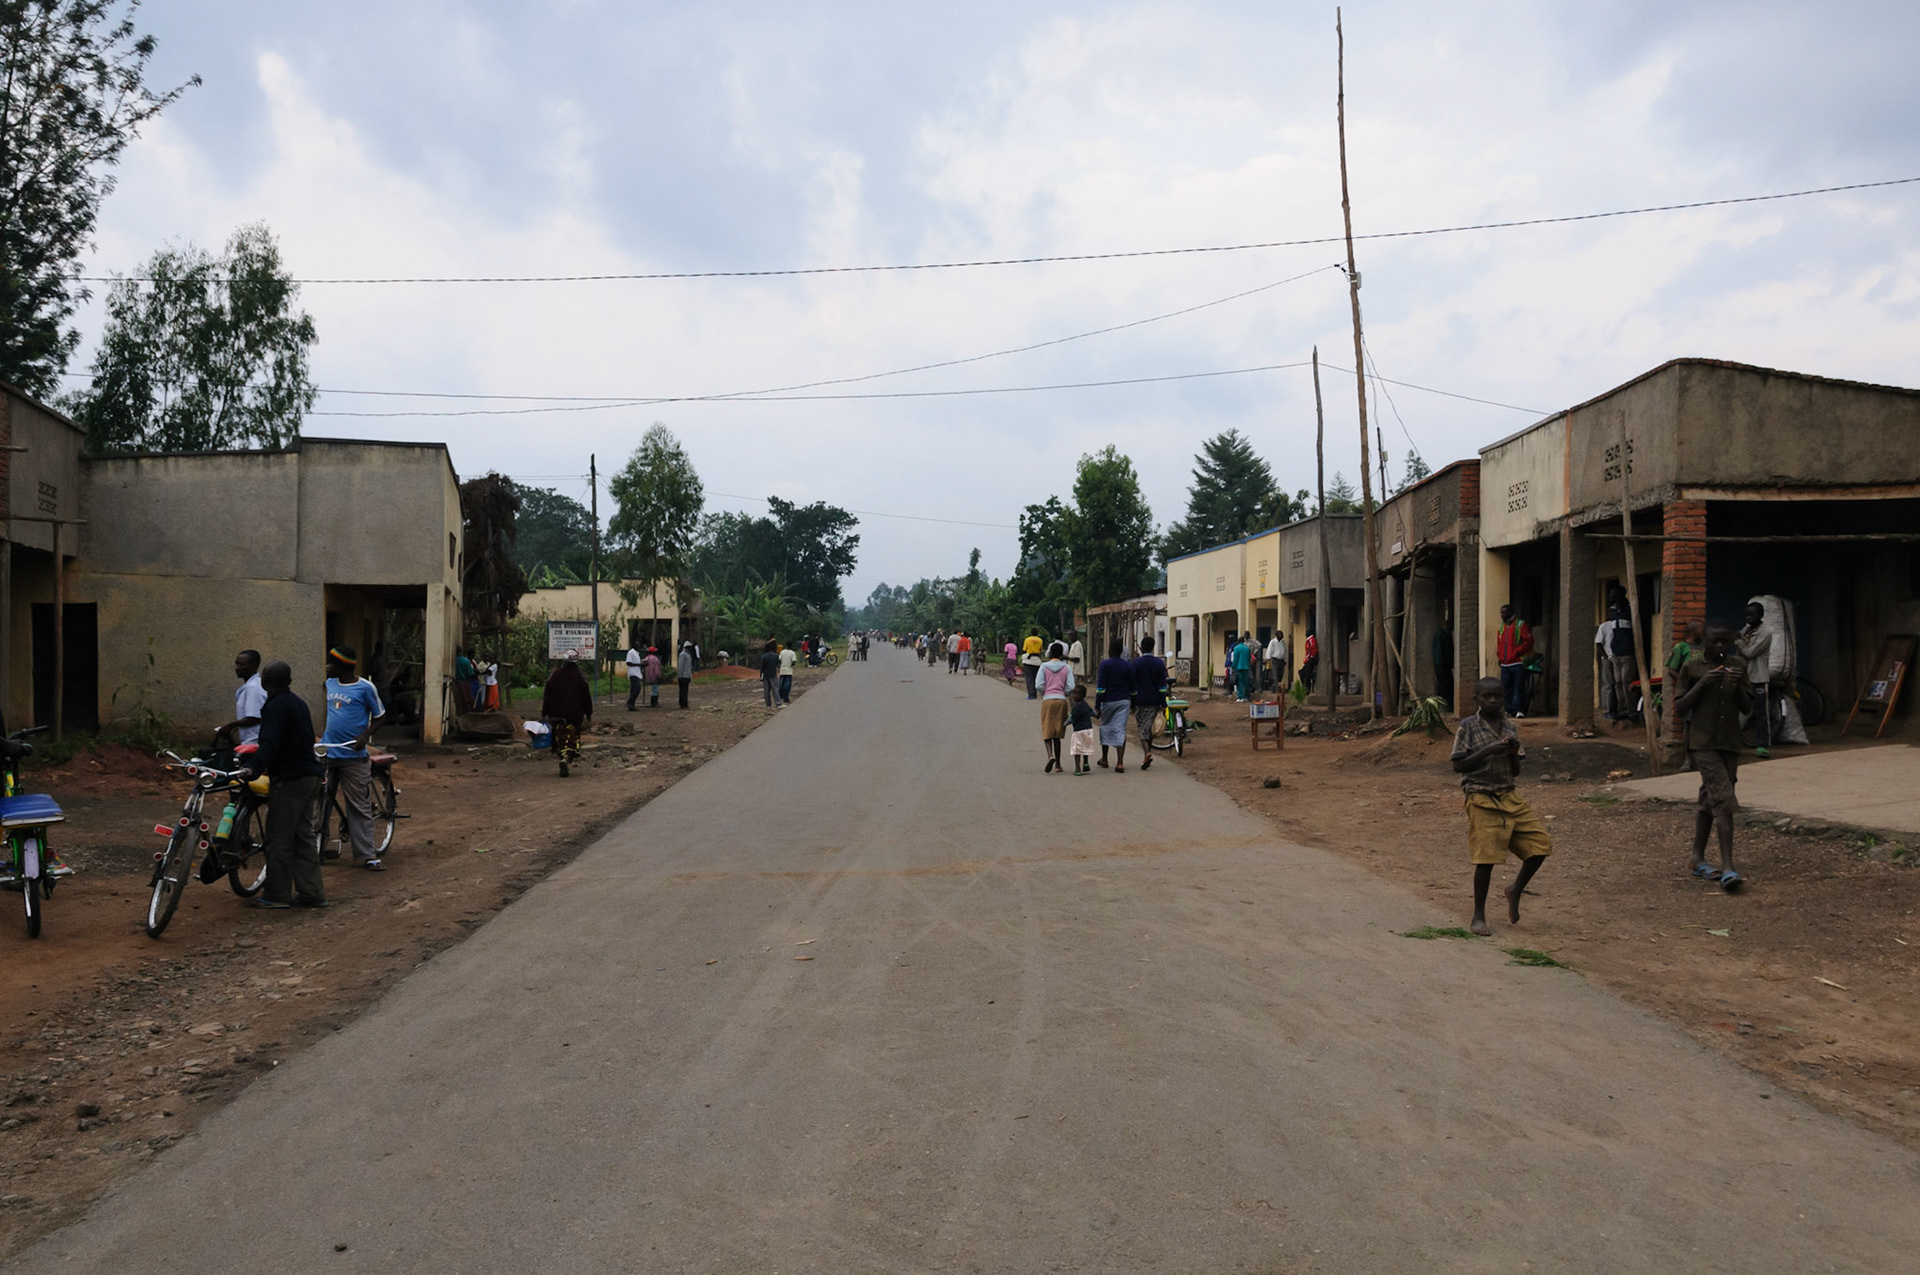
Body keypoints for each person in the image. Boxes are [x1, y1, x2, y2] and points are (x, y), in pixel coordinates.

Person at [1451, 676, 1551, 936]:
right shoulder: (1468, 727)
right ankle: (1478, 915)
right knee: (1486, 858)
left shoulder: (1510, 727)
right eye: (1487, 696)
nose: (1493, 701)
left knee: (1540, 846)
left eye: (1498, 696)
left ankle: (1515, 888)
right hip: (1481, 796)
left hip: (1508, 795)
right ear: (1477, 699)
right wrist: (1488, 751)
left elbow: (1515, 771)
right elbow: (1458, 765)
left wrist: (1511, 753)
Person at [238, 661, 327, 910]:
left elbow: (270, 742)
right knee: (303, 837)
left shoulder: (274, 706)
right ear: (288, 681)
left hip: (290, 780)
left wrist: (253, 767)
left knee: (278, 838)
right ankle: (311, 893)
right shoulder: (298, 703)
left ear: (265, 682)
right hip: (310, 776)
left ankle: (276, 895)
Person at [1672, 620, 1752, 891]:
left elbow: (1747, 708)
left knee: (1710, 799)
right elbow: (1680, 707)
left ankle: (1697, 858)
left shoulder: (1738, 666)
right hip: (1703, 744)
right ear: (1703, 642)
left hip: (1729, 743)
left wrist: (1738, 687)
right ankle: (1728, 866)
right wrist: (1704, 683)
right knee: (1723, 800)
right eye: (1714, 641)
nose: (1720, 646)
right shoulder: (1692, 667)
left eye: (1725, 641)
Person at [319, 645, 388, 871]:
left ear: (343, 666)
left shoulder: (365, 688)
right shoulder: (329, 684)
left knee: (358, 806)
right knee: (320, 803)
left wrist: (365, 735)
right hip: (329, 752)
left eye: (331, 663)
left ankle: (368, 855)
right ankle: (318, 848)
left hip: (353, 756)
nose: (327, 666)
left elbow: (380, 716)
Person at [542, 659, 593, 774]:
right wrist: (588, 712)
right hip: (573, 715)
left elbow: (547, 693)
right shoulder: (579, 676)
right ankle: (567, 757)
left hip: (555, 714)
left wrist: (545, 711)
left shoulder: (555, 675)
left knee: (558, 737)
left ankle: (562, 756)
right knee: (572, 736)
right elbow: (586, 696)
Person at [1738, 600, 1774, 759]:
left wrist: (1738, 642)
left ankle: (1762, 745)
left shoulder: (1766, 632)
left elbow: (1750, 652)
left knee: (1761, 713)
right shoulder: (1747, 629)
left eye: (1752, 615)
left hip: (1758, 677)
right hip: (1744, 676)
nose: (1748, 618)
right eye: (1746, 615)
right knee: (1738, 710)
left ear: (1760, 615)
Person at [1095, 637, 1135, 773]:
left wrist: (1097, 705)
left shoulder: (1105, 665)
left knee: (1105, 727)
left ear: (1110, 650)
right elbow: (1133, 687)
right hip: (1124, 700)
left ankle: (1104, 758)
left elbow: (1101, 688)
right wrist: (1134, 703)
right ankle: (1120, 762)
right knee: (1120, 729)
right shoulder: (1128, 665)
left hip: (1108, 700)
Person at [1131, 635, 1169, 769]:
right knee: (1150, 728)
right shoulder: (1159, 663)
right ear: (1153, 648)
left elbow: (1132, 684)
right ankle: (1148, 753)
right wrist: (1163, 703)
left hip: (1140, 700)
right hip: (1154, 700)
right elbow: (1162, 686)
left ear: (1141, 648)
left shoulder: (1136, 663)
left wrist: (1132, 701)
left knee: (1142, 728)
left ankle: (1146, 752)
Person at [1036, 641, 1075, 773]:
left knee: (1047, 730)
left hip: (1048, 699)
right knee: (1057, 733)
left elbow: (1038, 684)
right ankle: (1058, 764)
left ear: (1051, 653)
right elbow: (1071, 686)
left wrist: (1045, 692)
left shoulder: (1044, 666)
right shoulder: (1066, 667)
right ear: (1062, 654)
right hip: (1061, 700)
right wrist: (1064, 692)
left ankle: (1050, 756)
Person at [218, 649, 267, 746]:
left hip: (254, 742)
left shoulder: (252, 688)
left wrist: (230, 726)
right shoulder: (252, 685)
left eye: (242, 664)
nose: (237, 668)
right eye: (237, 664)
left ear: (253, 666)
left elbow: (254, 718)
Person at [1495, 604, 1534, 718]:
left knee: (1518, 687)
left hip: (1517, 662)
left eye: (1504, 612)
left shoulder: (1520, 625)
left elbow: (1528, 641)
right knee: (1506, 688)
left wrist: (1517, 652)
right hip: (1505, 663)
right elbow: (1499, 643)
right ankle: (1509, 710)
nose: (1502, 615)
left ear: (1510, 612)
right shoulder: (1502, 627)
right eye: (1501, 613)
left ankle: (1518, 710)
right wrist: (1500, 655)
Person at [1068, 686, 1096, 775]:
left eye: (1078, 694)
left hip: (1079, 730)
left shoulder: (1077, 706)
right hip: (1088, 729)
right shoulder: (1085, 704)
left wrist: (1064, 724)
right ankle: (1086, 763)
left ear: (1083, 695)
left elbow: (1072, 718)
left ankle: (1077, 768)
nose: (1075, 696)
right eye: (1074, 693)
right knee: (1085, 747)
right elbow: (1093, 713)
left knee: (1077, 749)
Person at [1431, 622, 1453, 710]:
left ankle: (1443, 705)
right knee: (1445, 686)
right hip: (1443, 665)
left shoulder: (1439, 634)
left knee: (1442, 685)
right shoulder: (1443, 635)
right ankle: (1446, 706)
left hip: (1439, 664)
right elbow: (1446, 651)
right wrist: (1451, 662)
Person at [1021, 629, 1045, 699]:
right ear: (1037, 633)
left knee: (1029, 678)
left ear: (1031, 633)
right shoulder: (1040, 640)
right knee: (1035, 678)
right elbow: (1040, 650)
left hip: (1028, 661)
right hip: (1037, 661)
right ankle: (1035, 693)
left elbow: (1024, 650)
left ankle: (1031, 694)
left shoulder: (1027, 639)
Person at [1229, 632, 1253, 702]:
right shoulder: (1247, 648)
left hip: (1238, 667)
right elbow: (1249, 658)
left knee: (1240, 682)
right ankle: (1247, 697)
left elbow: (1235, 659)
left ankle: (1240, 697)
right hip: (1246, 667)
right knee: (1246, 682)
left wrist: (1234, 666)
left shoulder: (1236, 648)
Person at [759, 640, 780, 708]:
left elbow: (762, 667)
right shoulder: (775, 656)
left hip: (766, 674)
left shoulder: (764, 656)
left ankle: (768, 704)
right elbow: (778, 664)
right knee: (775, 689)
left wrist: (761, 674)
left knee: (766, 691)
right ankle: (778, 702)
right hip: (773, 674)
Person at [1266, 630, 1288, 694]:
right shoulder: (1272, 642)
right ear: (1277, 635)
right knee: (1275, 676)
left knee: (1280, 676)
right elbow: (1269, 650)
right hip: (1275, 660)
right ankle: (1277, 690)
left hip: (1281, 661)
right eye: (1280, 635)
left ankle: (1273, 687)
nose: (1281, 636)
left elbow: (1285, 651)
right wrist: (1268, 658)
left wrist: (1285, 660)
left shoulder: (1283, 643)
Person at [625, 641, 645, 711]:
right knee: (637, 688)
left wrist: (642, 665)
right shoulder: (631, 652)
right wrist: (639, 665)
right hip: (633, 673)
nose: (638, 646)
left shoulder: (637, 653)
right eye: (637, 645)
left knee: (633, 689)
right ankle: (629, 701)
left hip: (637, 673)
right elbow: (628, 663)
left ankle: (631, 705)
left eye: (639, 644)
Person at [777, 639, 797, 705]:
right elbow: (794, 661)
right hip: (789, 670)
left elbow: (779, 659)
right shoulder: (792, 653)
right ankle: (786, 698)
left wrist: (781, 665)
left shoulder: (782, 652)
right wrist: (791, 665)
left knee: (781, 684)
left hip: (782, 670)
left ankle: (781, 696)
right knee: (787, 685)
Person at [676, 640, 695, 709]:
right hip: (683, 676)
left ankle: (683, 703)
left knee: (685, 691)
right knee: (683, 691)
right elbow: (680, 666)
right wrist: (679, 675)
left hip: (687, 675)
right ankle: (683, 704)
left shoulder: (688, 655)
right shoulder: (683, 654)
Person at [1300, 628, 1319, 692]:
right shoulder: (1309, 639)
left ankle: (1307, 689)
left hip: (1311, 659)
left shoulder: (1311, 639)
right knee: (1302, 673)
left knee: (1306, 674)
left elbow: (1313, 648)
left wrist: (1311, 657)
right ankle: (1305, 688)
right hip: (1308, 659)